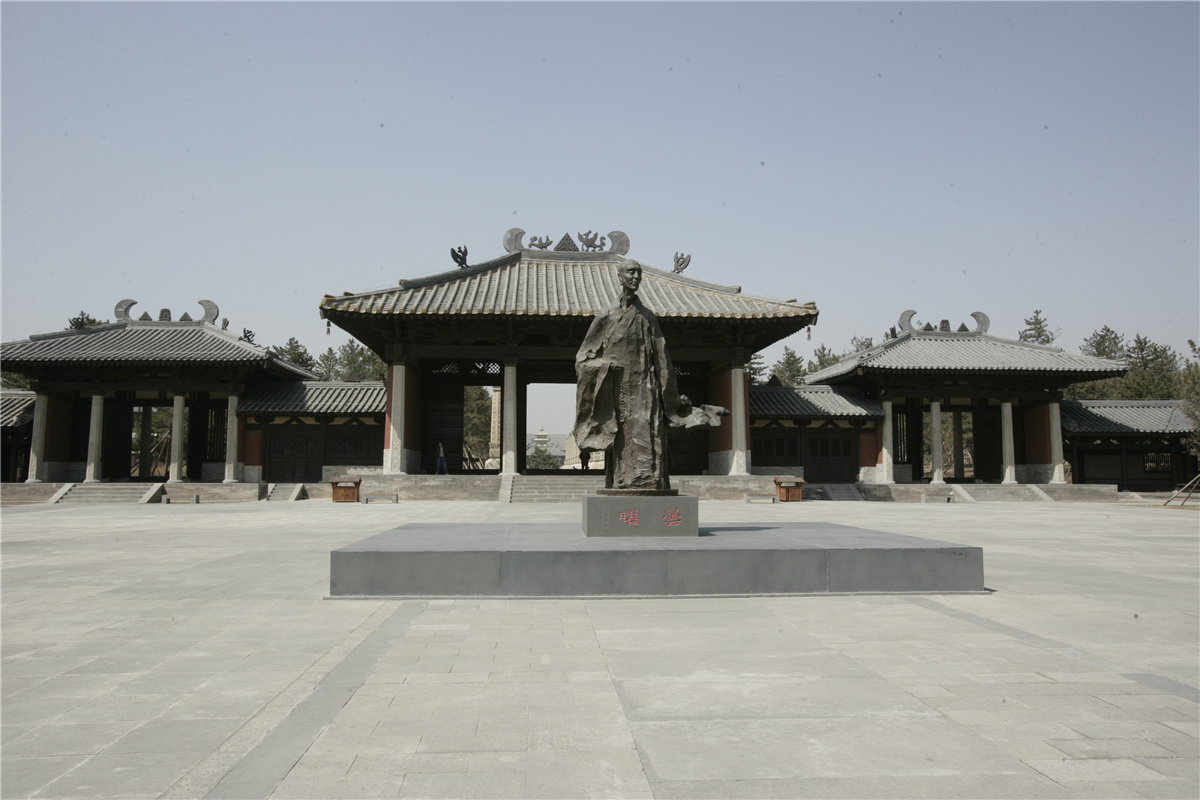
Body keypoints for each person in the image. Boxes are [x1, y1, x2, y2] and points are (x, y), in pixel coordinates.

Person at [573, 260, 725, 491]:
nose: (635, 277)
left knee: (648, 432)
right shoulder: (607, 315)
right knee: (621, 434)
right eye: (630, 272)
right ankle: (622, 481)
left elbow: (662, 359)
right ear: (620, 277)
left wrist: (670, 397)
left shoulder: (647, 317)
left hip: (645, 388)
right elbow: (583, 357)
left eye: (639, 273)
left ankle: (649, 481)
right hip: (618, 390)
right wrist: (606, 366)